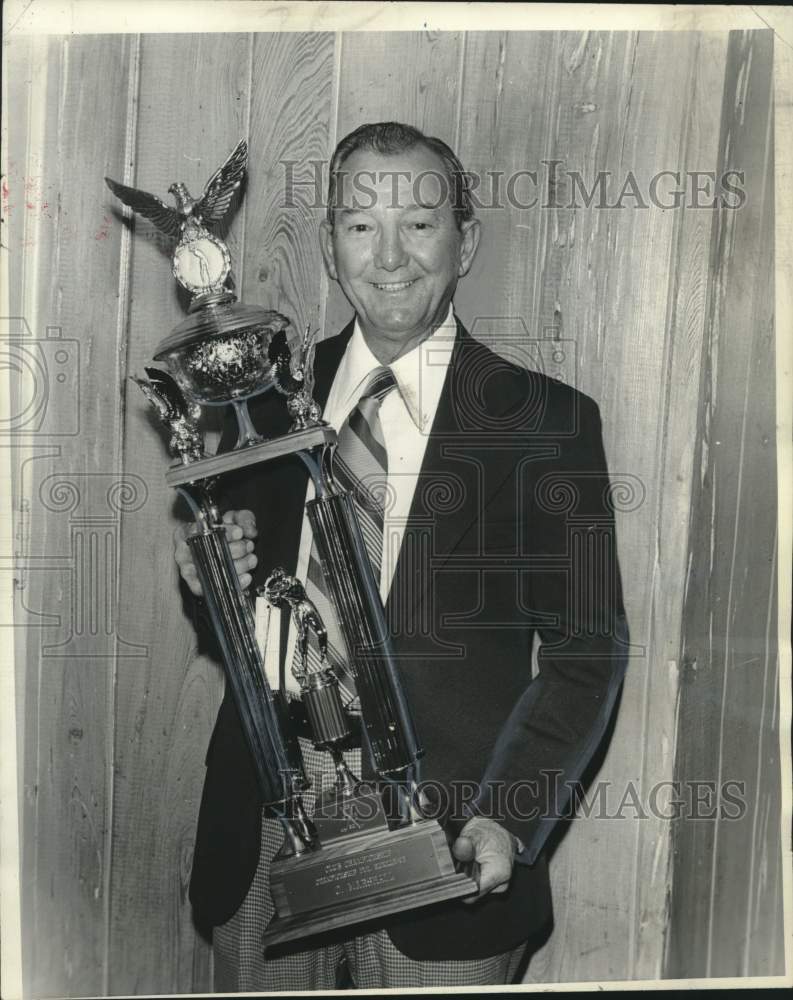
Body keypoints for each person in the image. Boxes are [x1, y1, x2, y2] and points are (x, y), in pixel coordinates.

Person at [174, 122, 629, 990]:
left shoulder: (546, 424)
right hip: (268, 821)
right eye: (358, 225)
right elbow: (251, 601)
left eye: (418, 225)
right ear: (329, 245)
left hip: (453, 840)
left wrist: (510, 816)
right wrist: (210, 584)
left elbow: (586, 650)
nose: (388, 256)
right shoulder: (262, 407)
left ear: (466, 243)